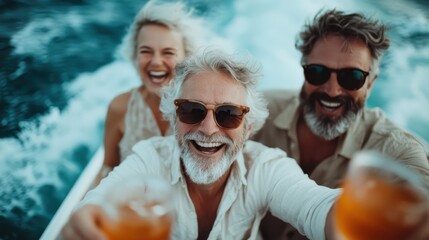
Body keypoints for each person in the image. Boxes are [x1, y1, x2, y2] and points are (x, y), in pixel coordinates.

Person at [61, 50, 341, 240]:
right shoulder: (150, 159)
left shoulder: (266, 168)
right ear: (173, 119)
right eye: (192, 111)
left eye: (228, 115)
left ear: (248, 128)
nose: (208, 129)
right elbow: (98, 205)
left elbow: (316, 207)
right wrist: (89, 225)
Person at [251, 9, 429, 240]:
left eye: (352, 77)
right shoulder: (259, 111)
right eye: (317, 72)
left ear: (370, 85)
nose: (332, 90)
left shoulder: (394, 147)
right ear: (304, 72)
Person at [101, 1, 207, 177]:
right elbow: (108, 168)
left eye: (168, 52)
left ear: (186, 59)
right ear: (135, 55)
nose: (156, 61)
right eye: (146, 51)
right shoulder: (119, 108)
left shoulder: (204, 110)